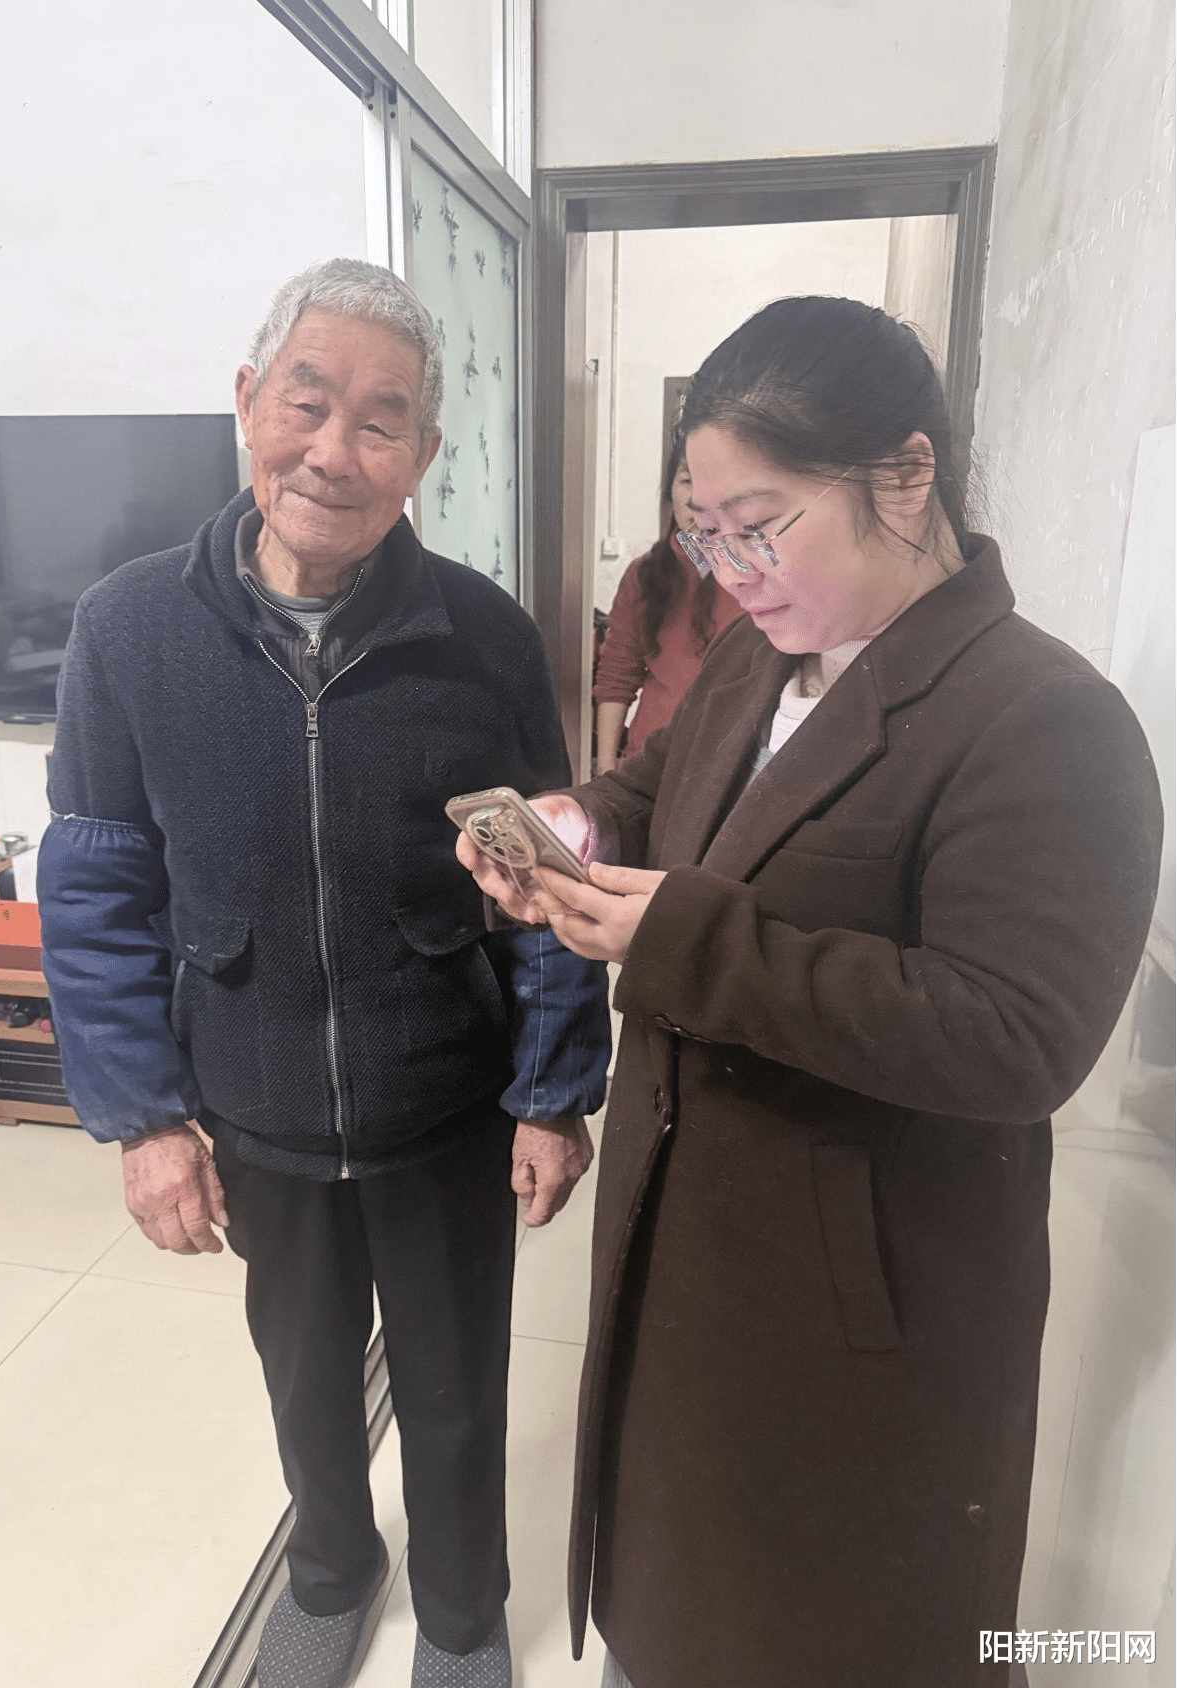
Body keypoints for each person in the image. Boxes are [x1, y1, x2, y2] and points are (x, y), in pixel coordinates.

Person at [458, 297, 1163, 1688]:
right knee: (675, 1587)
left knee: (827, 1622)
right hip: (688, 1238)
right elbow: (664, 789)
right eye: (702, 534)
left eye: (758, 525)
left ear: (904, 474)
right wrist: (578, 824)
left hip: (859, 1295)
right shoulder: (756, 654)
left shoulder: (1041, 717)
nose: (729, 571)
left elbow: (1016, 1035)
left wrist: (689, 941)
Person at [37, 258, 611, 1688]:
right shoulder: (128, 629)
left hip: (443, 1103)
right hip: (253, 1100)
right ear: (247, 403)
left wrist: (552, 1091)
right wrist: (143, 1119)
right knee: (302, 1382)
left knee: (456, 1387)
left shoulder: (482, 635)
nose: (333, 452)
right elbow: (98, 883)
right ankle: (331, 1570)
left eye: (381, 421)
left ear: (423, 453)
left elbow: (545, 876)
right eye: (307, 402)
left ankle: (463, 1613)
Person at [592, 434, 741, 772]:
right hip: (650, 762)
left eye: (716, 480)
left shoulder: (761, 577)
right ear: (670, 490)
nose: (698, 498)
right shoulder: (644, 573)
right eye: (687, 480)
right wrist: (606, 771)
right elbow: (616, 675)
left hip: (731, 765)